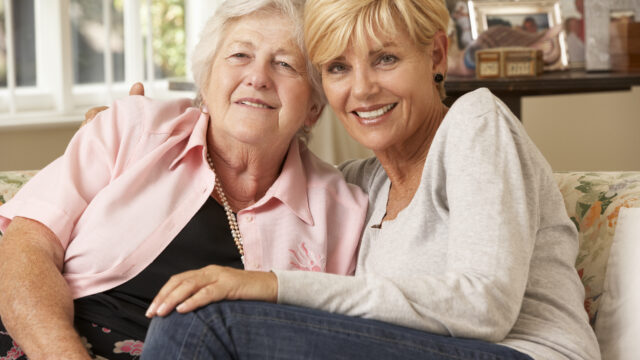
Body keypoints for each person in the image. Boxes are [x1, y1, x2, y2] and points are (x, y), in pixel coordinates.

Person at [140, 0, 601, 359]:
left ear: (436, 54)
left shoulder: (476, 123)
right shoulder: (362, 187)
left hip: (522, 353)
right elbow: (261, 169)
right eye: (338, 68)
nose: (361, 89)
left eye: (385, 59)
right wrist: (139, 136)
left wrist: (272, 283)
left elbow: (484, 307)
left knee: (203, 323)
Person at [0, 0, 369, 358]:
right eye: (240, 55)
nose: (258, 77)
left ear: (314, 108)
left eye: (285, 63)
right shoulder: (134, 130)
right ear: (206, 81)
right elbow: (26, 248)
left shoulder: (341, 213)